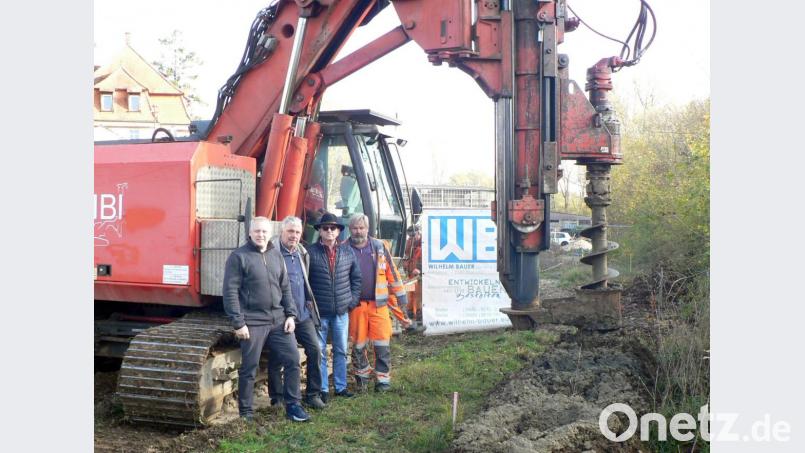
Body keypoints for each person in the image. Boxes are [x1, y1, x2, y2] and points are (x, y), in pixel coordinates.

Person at [222, 216, 310, 422]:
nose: (261, 235)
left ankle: (293, 406)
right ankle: (246, 412)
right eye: (257, 231)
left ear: (271, 233)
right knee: (249, 368)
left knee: (292, 361)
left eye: (264, 231)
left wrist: (290, 314)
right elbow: (230, 291)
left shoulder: (275, 255)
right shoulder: (239, 257)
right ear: (250, 233)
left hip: (279, 320)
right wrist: (238, 322)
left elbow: (285, 287)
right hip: (252, 322)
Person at [267, 216, 326, 410]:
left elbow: (303, 279)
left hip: (302, 314)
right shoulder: (272, 253)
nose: (294, 235)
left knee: (315, 350)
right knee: (278, 357)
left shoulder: (301, 252)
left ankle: (312, 394)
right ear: (282, 231)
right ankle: (277, 398)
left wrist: (308, 301)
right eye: (290, 231)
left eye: (297, 232)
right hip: (282, 315)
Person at [346, 214, 409, 392]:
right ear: (350, 229)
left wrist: (401, 298)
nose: (358, 231)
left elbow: (393, 274)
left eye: (361, 228)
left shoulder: (379, 247)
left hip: (378, 305)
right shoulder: (343, 248)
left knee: (382, 343)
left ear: (367, 229)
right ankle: (362, 379)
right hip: (356, 306)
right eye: (355, 228)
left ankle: (382, 381)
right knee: (358, 345)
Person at [307, 212, 361, 402]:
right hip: (320, 313)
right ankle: (322, 389)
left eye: (333, 228)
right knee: (320, 351)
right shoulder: (310, 253)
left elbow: (356, 279)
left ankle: (340, 387)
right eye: (325, 228)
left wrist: (351, 302)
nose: (329, 231)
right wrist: (310, 306)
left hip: (341, 313)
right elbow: (304, 282)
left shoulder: (348, 252)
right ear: (320, 231)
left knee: (340, 350)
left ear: (338, 231)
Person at [402, 224, 423, 329]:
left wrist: (420, 269)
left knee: (418, 298)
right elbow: (406, 255)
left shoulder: (424, 244)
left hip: (419, 277)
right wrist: (405, 264)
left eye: (413, 235)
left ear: (419, 233)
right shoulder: (409, 242)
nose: (411, 237)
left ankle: (419, 319)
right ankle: (410, 319)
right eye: (410, 235)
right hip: (410, 276)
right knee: (410, 296)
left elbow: (427, 260)